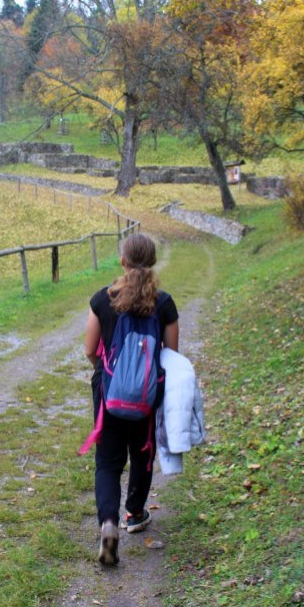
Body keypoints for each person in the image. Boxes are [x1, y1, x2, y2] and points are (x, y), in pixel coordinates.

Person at [83, 233, 179, 565]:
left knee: (108, 462)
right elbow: (171, 355)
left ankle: (108, 524)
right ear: (152, 262)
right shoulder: (164, 303)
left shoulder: (102, 298)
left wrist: (110, 374)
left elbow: (89, 350)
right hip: (146, 396)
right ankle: (134, 514)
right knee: (141, 454)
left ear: (122, 261)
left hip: (108, 392)